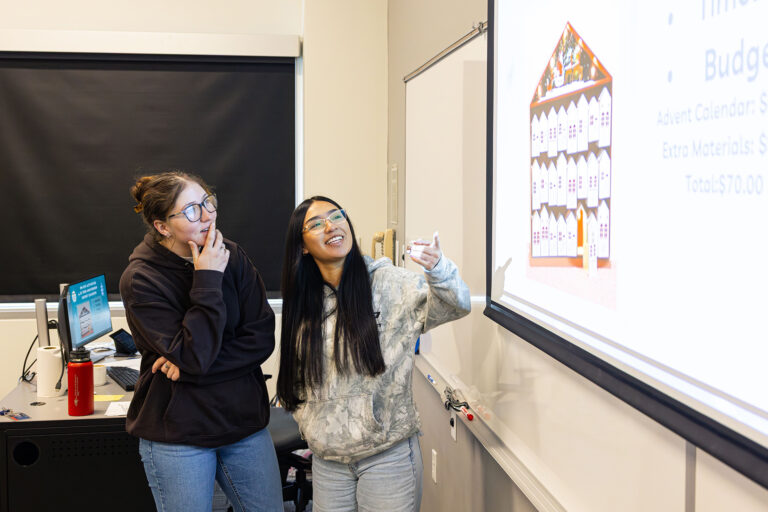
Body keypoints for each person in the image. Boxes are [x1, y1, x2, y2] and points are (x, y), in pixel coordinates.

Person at [276, 196, 470, 511]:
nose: (331, 225)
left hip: (386, 458)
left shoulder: (388, 283)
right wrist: (311, 424)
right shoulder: (305, 302)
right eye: (316, 223)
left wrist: (438, 271)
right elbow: (298, 375)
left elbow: (454, 305)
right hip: (328, 462)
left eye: (336, 215)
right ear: (303, 247)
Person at [119, 170, 283, 512]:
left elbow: (261, 338)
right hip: (179, 432)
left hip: (242, 424)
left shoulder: (232, 256)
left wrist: (191, 370)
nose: (207, 215)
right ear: (163, 226)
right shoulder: (141, 279)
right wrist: (207, 278)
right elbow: (196, 355)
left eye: (207, 202)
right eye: (192, 209)